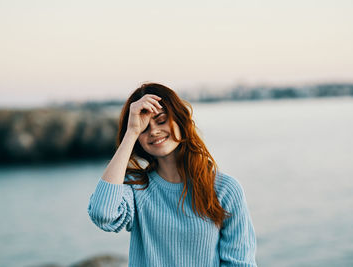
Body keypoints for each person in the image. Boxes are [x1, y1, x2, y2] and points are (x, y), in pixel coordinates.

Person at [87, 82, 257, 266]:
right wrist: (131, 132)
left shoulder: (225, 190)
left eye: (161, 120)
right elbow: (102, 214)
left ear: (181, 121)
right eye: (144, 128)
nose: (154, 131)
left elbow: (240, 263)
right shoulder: (136, 187)